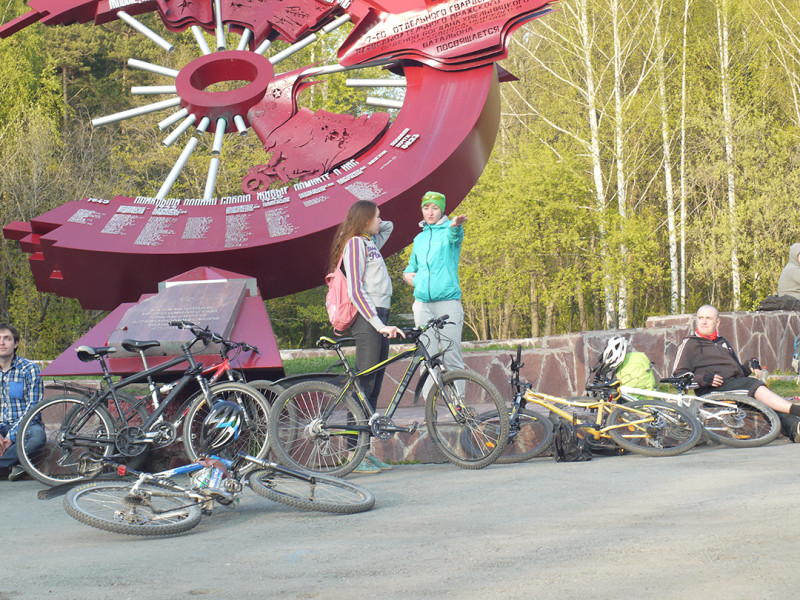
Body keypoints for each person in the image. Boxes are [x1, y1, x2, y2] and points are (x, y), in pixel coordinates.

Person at [329, 200, 405, 473]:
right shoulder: (354, 245)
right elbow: (356, 290)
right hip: (368, 319)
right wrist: (377, 324)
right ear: (363, 220)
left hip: (379, 316)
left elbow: (389, 227)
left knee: (371, 388)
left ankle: (363, 451)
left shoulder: (368, 242)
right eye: (376, 216)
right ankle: (353, 454)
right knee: (364, 387)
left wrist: (371, 221)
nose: (381, 219)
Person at [672, 305, 800, 441]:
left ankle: (796, 429)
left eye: (708, 318)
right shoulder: (689, 343)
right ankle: (796, 410)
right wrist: (704, 379)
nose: (704, 322)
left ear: (718, 322)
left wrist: (751, 364)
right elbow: (678, 377)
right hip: (712, 390)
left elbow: (738, 373)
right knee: (754, 385)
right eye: (700, 318)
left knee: (765, 401)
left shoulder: (723, 342)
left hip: (733, 385)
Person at [403, 191, 467, 395]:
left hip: (448, 303)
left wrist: (456, 227)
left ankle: (460, 407)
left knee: (452, 354)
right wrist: (407, 275)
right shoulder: (419, 239)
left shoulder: (450, 231)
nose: (430, 212)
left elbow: (454, 237)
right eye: (426, 208)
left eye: (435, 208)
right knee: (427, 358)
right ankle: (431, 411)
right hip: (422, 304)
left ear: (442, 210)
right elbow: (411, 266)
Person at [0, 323, 45, 480]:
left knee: (38, 437)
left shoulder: (30, 369)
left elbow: (34, 407)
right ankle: (16, 464)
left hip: (26, 425)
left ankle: (10, 463)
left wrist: (10, 438)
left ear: (16, 343)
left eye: (7, 338)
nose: (2, 342)